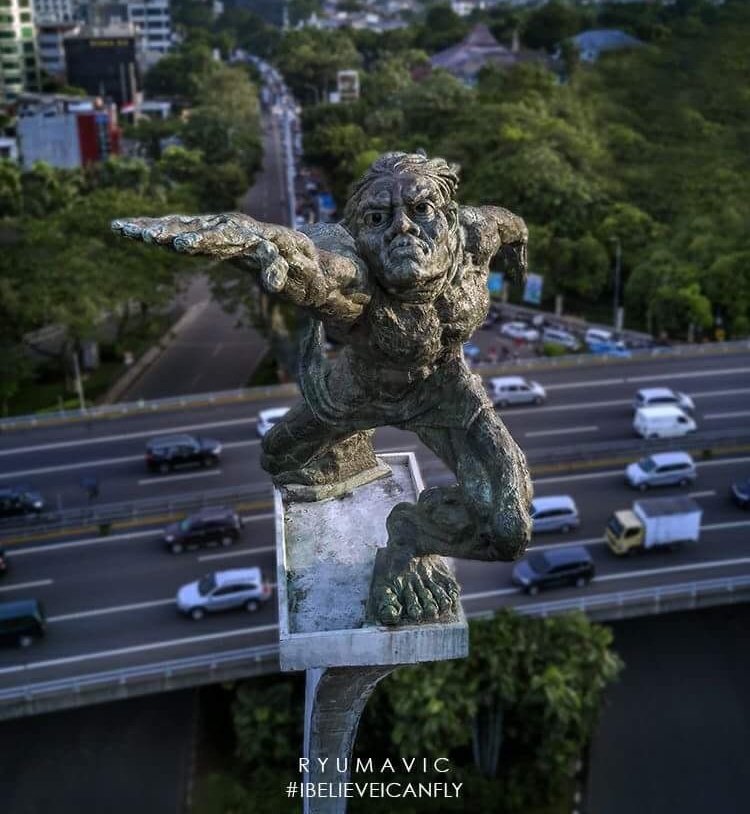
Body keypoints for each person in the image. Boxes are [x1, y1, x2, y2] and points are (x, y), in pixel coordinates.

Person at [113, 151, 533, 625]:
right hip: (358, 391)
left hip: (447, 391)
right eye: (378, 218)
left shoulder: (473, 235)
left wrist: (518, 248)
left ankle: (409, 537)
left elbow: (509, 224)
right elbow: (304, 257)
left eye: (420, 209)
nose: (403, 226)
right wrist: (250, 240)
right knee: (281, 457)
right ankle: (348, 447)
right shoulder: (355, 272)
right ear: (359, 234)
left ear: (449, 216)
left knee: (508, 527)